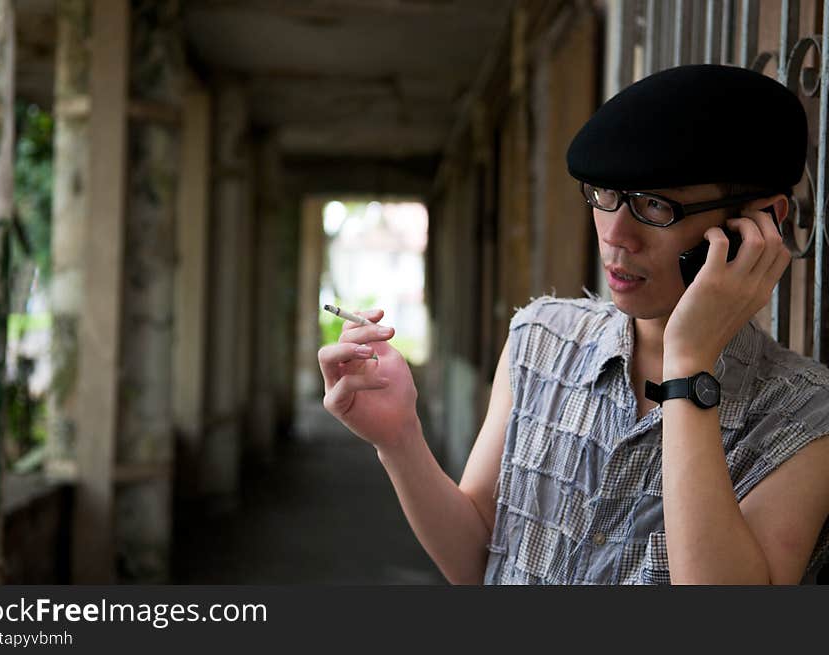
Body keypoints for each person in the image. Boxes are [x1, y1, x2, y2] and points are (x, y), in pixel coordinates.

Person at [318, 64, 829, 585]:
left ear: (760, 221)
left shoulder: (805, 415)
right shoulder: (540, 339)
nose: (616, 235)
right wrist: (400, 440)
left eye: (654, 205)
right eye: (604, 195)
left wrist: (688, 367)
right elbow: (478, 562)